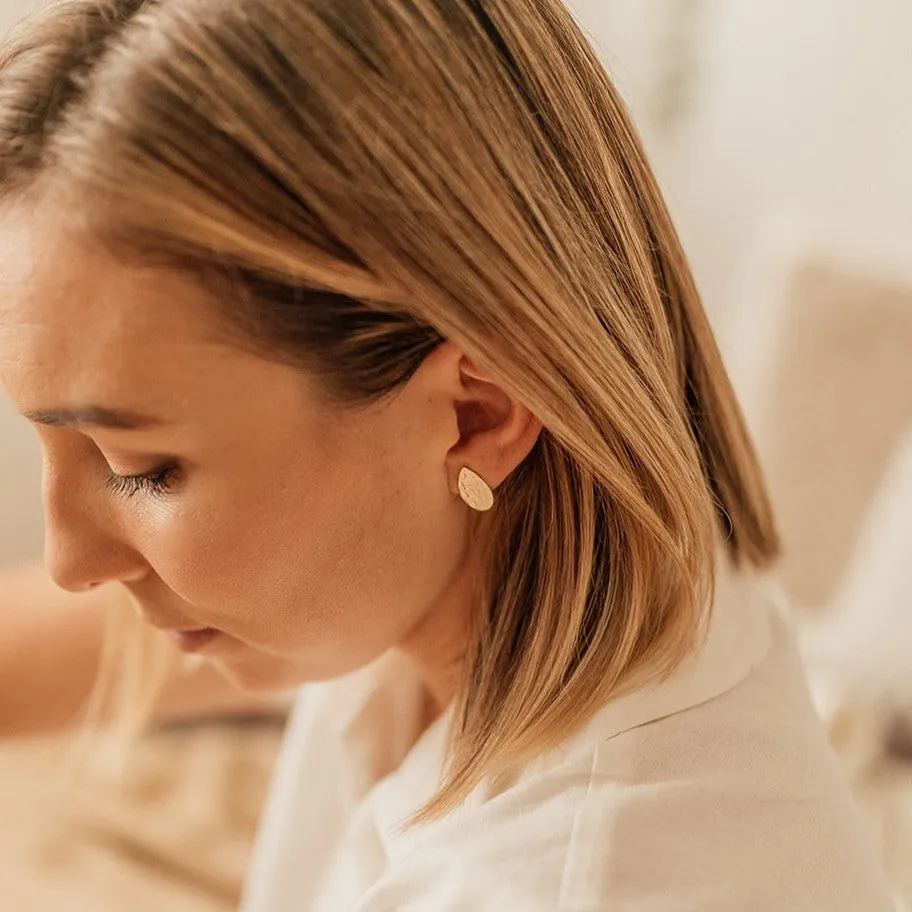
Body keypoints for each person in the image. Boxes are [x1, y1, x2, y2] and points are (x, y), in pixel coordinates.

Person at [0, 0, 895, 909]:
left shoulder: (572, 878)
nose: (71, 561)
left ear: (476, 415)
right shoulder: (553, 559)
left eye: (143, 468)